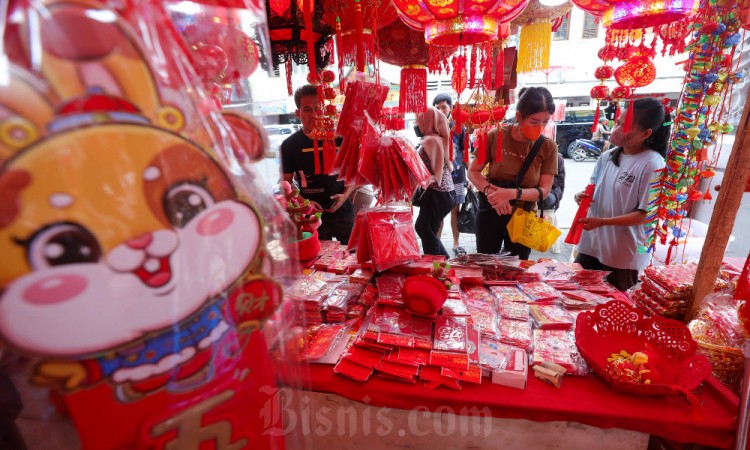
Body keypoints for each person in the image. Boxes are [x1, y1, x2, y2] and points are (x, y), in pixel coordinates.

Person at [574, 98, 669, 291]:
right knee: (577, 298)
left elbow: (645, 215)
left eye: (624, 125)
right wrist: (581, 197)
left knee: (615, 308)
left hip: (623, 254)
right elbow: (594, 190)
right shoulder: (608, 156)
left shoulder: (652, 164)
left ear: (646, 133)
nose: (616, 128)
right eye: (617, 122)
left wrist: (602, 222)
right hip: (592, 245)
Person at [467, 86, 558, 259]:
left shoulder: (548, 147)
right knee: (485, 263)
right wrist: (492, 193)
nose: (540, 127)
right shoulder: (497, 135)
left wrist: (509, 194)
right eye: (534, 122)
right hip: (491, 210)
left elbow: (544, 191)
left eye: (545, 122)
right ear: (518, 117)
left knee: (517, 268)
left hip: (523, 216)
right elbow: (473, 172)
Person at [281, 84, 356, 244]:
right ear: (297, 113)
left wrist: (345, 196)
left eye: (318, 109)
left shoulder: (340, 139)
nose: (314, 115)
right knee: (318, 262)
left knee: (352, 257)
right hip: (310, 215)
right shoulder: (289, 145)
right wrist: (303, 202)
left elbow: (353, 172)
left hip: (342, 210)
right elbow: (285, 183)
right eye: (307, 109)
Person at [414, 106, 455, 257]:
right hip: (444, 193)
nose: (417, 124)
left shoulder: (431, 141)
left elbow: (422, 168)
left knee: (426, 229)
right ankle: (443, 260)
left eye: (419, 120)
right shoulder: (439, 138)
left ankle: (437, 266)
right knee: (423, 227)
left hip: (437, 193)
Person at [433, 93, 468, 257]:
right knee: (439, 211)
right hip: (439, 175)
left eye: (443, 107)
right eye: (437, 107)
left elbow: (465, 152)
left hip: (457, 175)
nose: (440, 110)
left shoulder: (460, 128)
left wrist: (471, 177)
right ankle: (437, 241)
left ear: (451, 108)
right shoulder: (432, 127)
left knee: (455, 210)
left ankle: (456, 243)